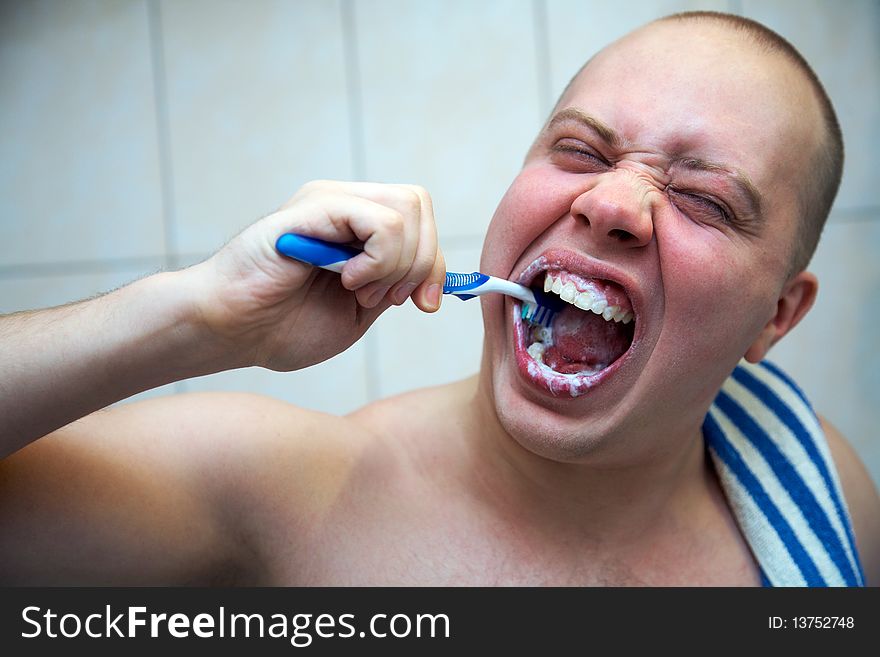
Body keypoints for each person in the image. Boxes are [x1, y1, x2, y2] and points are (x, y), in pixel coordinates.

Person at [1, 11, 877, 586]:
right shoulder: (282, 492)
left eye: (704, 200)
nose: (610, 202)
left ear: (776, 317)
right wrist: (198, 316)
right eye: (579, 150)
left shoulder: (815, 483)